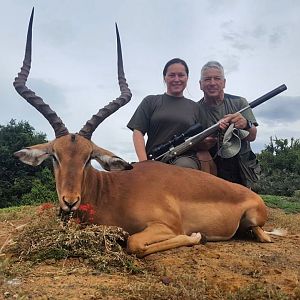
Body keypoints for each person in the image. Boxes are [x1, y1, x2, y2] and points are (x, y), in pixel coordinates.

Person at [127, 58, 202, 169]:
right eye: (172, 75)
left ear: (187, 78)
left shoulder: (195, 107)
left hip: (185, 159)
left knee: (184, 166)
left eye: (181, 75)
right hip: (154, 159)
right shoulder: (150, 101)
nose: (177, 79)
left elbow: (203, 137)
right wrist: (144, 163)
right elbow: (138, 132)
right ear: (164, 78)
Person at [197, 61, 260, 187]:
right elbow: (193, 142)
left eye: (217, 78)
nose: (212, 83)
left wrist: (246, 124)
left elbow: (252, 136)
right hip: (210, 164)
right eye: (207, 79)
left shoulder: (240, 103)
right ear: (200, 84)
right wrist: (203, 143)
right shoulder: (194, 109)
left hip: (239, 164)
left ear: (224, 82)